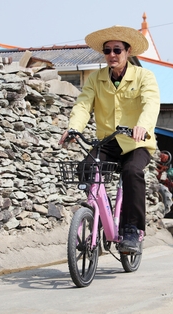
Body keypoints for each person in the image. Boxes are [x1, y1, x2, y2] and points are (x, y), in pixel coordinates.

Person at [58, 25, 160, 253]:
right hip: (109, 142)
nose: (112, 55)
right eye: (107, 51)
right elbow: (83, 105)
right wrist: (73, 128)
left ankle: (132, 229)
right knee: (85, 168)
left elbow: (151, 103)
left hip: (136, 143)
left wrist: (142, 126)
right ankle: (99, 213)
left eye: (117, 50)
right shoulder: (95, 79)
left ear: (128, 52)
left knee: (132, 172)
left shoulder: (144, 77)